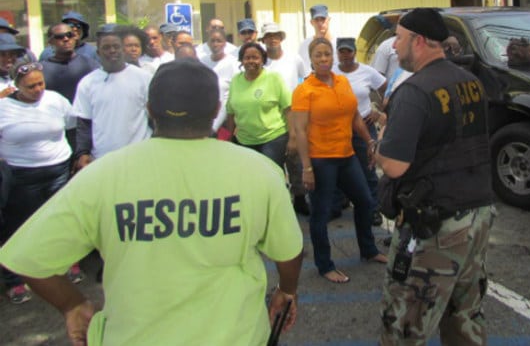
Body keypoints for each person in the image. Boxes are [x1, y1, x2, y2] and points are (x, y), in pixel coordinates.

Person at [0, 60, 303, 345]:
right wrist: (286, 291)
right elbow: (289, 252)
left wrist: (73, 305)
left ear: (149, 109)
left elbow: (28, 258)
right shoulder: (259, 171)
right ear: (216, 110)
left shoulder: (103, 175)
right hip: (237, 335)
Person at [374, 8, 494, 345]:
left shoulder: (413, 92)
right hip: (477, 217)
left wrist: (377, 148)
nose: (394, 47)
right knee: (464, 314)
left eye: (398, 38)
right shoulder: (471, 83)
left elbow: (395, 166)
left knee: (404, 324)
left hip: (434, 227)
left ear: (420, 40)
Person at [292, 37, 387, 284]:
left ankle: (369, 250)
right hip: (321, 160)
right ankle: (325, 265)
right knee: (321, 214)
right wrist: (307, 168)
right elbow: (300, 130)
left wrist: (369, 141)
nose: (324, 59)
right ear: (311, 60)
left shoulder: (342, 82)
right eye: (318, 56)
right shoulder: (304, 90)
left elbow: (355, 117)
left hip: (346, 156)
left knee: (365, 202)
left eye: (327, 54)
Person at [0, 60, 77, 304]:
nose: (38, 90)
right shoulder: (4, 108)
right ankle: (14, 278)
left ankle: (65, 264)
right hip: (22, 176)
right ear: (17, 86)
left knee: (61, 220)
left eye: (40, 83)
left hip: (58, 171)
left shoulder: (55, 100)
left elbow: (71, 126)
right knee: (20, 227)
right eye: (30, 86)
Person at [72, 25, 153, 170]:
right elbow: (84, 123)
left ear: (123, 49)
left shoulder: (144, 78)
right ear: (98, 52)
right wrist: (82, 153)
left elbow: (154, 117)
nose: (112, 51)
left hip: (140, 156)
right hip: (102, 160)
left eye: (116, 46)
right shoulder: (88, 83)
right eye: (106, 47)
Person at [336, 37, 387, 226]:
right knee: (339, 166)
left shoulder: (367, 71)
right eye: (341, 51)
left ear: (354, 52)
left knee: (368, 167)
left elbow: (386, 88)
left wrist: (379, 111)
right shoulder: (331, 72)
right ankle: (342, 200)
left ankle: (374, 208)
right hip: (338, 127)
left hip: (364, 124)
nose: (345, 55)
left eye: (348, 51)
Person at [261, 22, 309, 215]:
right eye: (268, 36)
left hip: (294, 114)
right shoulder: (261, 61)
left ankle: (299, 198)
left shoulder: (294, 59)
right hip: (270, 117)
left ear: (281, 37)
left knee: (295, 159)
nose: (272, 39)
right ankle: (278, 201)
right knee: (273, 163)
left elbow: (305, 82)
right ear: (263, 40)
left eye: (276, 35)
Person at [226, 42, 293, 168]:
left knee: (272, 176)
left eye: (255, 57)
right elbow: (230, 112)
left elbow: (289, 109)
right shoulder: (235, 80)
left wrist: (293, 138)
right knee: (250, 178)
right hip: (245, 141)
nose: (251, 61)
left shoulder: (274, 78)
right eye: (247, 58)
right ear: (241, 60)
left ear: (263, 60)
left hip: (273, 138)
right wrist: (230, 138)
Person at [40, 23, 99, 103]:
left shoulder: (90, 65)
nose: (66, 39)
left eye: (69, 35)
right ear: (50, 42)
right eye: (59, 37)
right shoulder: (41, 70)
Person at [199, 29, 239, 135]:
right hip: (204, 116)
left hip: (227, 120)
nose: (215, 44)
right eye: (212, 41)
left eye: (219, 41)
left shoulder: (233, 63)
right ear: (207, 43)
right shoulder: (202, 62)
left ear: (225, 43)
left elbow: (237, 92)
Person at [298, 5, 336, 74]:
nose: (320, 23)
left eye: (323, 19)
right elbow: (302, 72)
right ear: (311, 22)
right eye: (317, 20)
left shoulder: (337, 44)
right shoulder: (304, 45)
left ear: (329, 20)